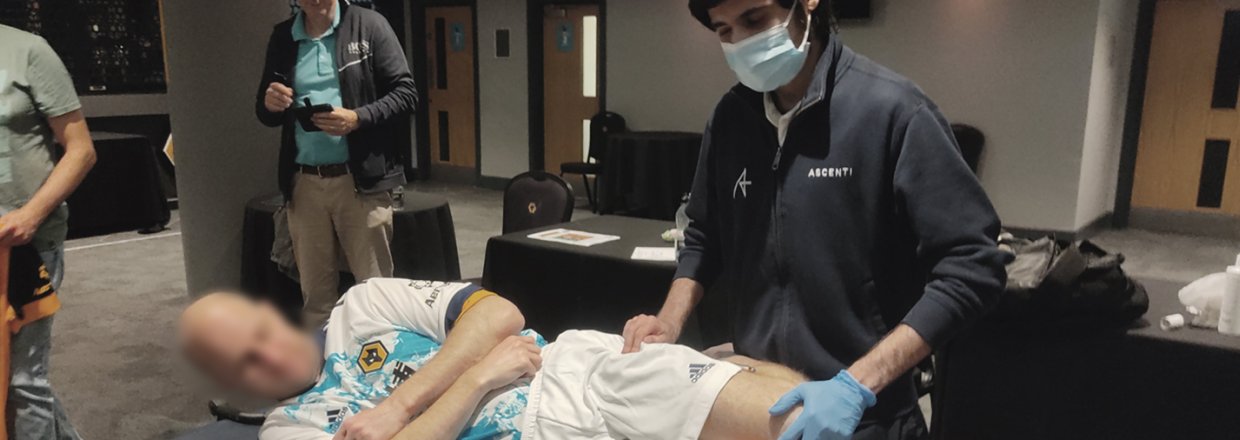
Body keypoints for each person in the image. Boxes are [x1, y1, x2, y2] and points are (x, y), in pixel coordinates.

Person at [620, 1, 1012, 439]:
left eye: (754, 19)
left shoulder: (892, 111)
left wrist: (856, 384)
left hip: (864, 413)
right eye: (724, 30)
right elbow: (704, 236)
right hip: (761, 404)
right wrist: (669, 321)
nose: (742, 42)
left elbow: (973, 266)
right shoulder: (731, 119)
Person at [180, 279, 820, 440]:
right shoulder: (288, 427)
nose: (266, 354)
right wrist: (478, 376)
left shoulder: (363, 304)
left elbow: (499, 314)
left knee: (795, 413)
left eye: (257, 331)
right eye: (243, 362)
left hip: (571, 368)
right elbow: (492, 346)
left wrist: (401, 406)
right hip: (530, 424)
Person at [256, 0, 418, 330]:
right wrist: (269, 103)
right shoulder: (284, 36)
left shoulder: (369, 25)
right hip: (304, 182)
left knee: (375, 294)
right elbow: (266, 112)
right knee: (316, 300)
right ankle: (325, 373)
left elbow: (406, 93)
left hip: (360, 182)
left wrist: (358, 118)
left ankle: (379, 369)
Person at [0, 24, 97, 440]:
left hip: (24, 245)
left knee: (22, 380)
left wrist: (31, 215)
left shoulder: (28, 51)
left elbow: (81, 150)